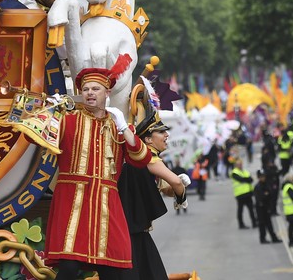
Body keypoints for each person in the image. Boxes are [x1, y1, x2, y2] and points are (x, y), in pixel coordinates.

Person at [45, 54, 152, 280]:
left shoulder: (117, 126)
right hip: (72, 200)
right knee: (68, 267)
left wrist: (124, 126)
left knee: (112, 269)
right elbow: (36, 138)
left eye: (96, 89)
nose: (90, 93)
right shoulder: (68, 120)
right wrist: (46, 115)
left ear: (107, 93)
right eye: (86, 89)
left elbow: (140, 158)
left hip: (105, 202)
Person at [118, 102, 188, 280]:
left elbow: (167, 188)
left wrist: (178, 187)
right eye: (161, 132)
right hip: (129, 230)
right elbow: (175, 184)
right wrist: (181, 199)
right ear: (148, 140)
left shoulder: (144, 157)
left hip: (133, 228)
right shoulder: (149, 158)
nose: (166, 135)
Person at [254, 170, 283, 244]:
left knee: (269, 223)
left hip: (266, 207)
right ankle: (262, 238)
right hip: (260, 208)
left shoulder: (266, 184)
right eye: (261, 177)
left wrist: (267, 194)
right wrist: (266, 194)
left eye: (263, 176)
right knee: (262, 223)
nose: (263, 178)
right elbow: (261, 197)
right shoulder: (257, 186)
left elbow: (270, 194)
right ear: (259, 177)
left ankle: (274, 238)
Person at [230, 157, 256, 229]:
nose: (240, 165)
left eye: (241, 164)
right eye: (238, 164)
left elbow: (250, 180)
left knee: (251, 209)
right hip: (240, 194)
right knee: (240, 210)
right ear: (236, 165)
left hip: (248, 193)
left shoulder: (245, 171)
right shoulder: (234, 172)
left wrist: (247, 179)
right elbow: (241, 180)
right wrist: (247, 179)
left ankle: (254, 223)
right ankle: (241, 224)